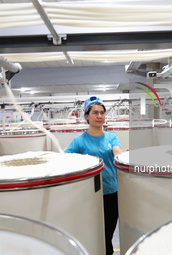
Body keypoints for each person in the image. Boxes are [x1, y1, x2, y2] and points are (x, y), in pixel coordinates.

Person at [65, 96, 123, 255]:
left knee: (108, 233)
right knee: (93, 233)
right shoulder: (79, 141)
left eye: (102, 113)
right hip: (89, 195)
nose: (99, 116)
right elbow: (64, 159)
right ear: (87, 116)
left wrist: (123, 156)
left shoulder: (111, 137)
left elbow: (117, 151)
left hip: (111, 192)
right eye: (95, 113)